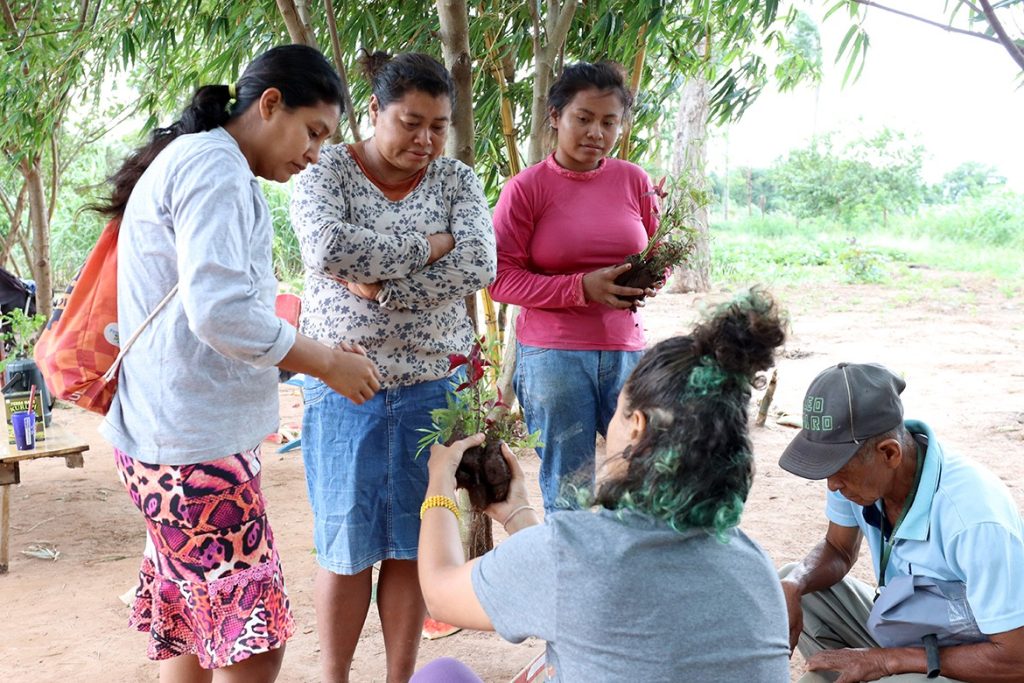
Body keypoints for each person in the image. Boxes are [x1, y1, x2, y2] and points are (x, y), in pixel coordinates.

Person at [97, 45, 381, 683]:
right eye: (313, 132)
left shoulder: (202, 162)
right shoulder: (215, 168)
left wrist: (318, 352)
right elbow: (220, 312)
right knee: (252, 638)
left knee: (192, 614)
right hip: (193, 452)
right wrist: (325, 363)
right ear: (270, 103)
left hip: (166, 438)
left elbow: (221, 310)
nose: (314, 154)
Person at [416, 289, 791, 682]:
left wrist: (439, 482)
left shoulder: (570, 556)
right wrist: (519, 514)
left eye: (616, 412)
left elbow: (440, 594)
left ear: (637, 428)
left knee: (441, 675)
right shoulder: (753, 562)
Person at [289, 51, 496, 683]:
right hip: (342, 390)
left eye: (438, 126)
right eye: (410, 122)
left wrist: (381, 288)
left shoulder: (457, 181)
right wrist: (432, 246)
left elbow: (480, 267)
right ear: (374, 111)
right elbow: (330, 247)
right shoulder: (322, 172)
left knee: (412, 549)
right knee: (345, 550)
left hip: (435, 390)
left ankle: (398, 679)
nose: (425, 140)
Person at [778, 362, 1024, 683]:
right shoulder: (857, 476)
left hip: (984, 660)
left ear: (889, 454)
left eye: (837, 469)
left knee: (891, 678)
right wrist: (796, 582)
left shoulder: (974, 519)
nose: (832, 485)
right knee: (793, 588)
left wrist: (890, 661)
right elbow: (838, 548)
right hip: (913, 630)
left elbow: (1016, 660)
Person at [488, 61, 660, 514]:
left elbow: (656, 255)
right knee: (569, 490)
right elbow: (500, 280)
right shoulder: (526, 190)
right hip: (553, 360)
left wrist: (647, 279)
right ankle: (569, 581)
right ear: (555, 116)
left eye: (609, 122)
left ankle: (629, 582)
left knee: (643, 478)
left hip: (627, 353)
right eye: (583, 119)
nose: (596, 133)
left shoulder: (635, 181)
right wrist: (581, 288)